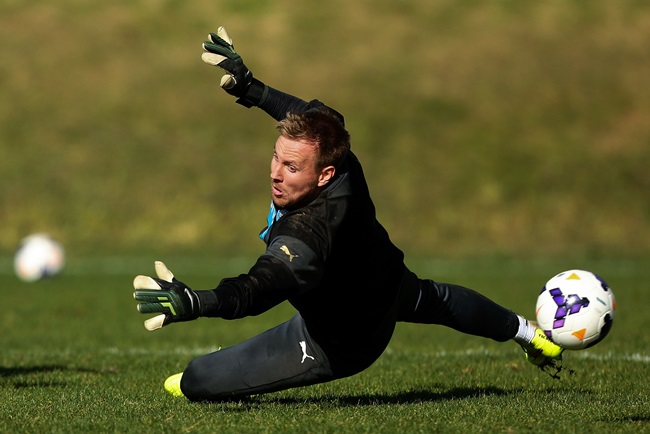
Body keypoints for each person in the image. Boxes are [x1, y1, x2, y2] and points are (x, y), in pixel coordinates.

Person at [132, 26, 564, 402]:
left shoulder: (307, 236)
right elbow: (309, 115)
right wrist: (252, 89)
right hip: (387, 282)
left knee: (195, 380)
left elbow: (257, 289)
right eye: (276, 158)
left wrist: (197, 301)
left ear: (324, 176)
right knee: (438, 300)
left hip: (342, 338)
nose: (276, 174)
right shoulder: (340, 156)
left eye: (293, 167)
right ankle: (529, 334)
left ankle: (207, 378)